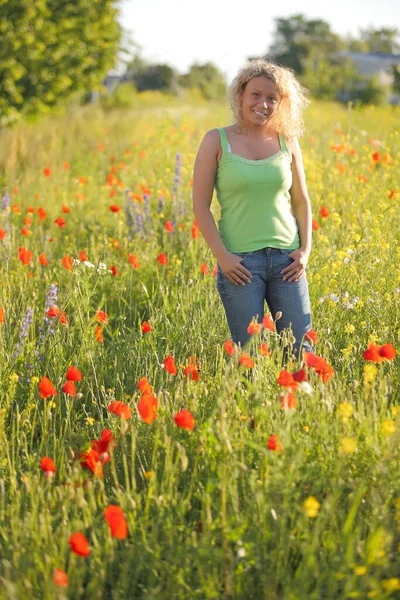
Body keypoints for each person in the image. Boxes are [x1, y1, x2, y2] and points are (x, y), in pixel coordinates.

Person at [192, 59, 314, 360]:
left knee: (301, 351)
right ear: (241, 96)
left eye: (272, 98)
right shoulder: (216, 140)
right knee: (250, 357)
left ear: (281, 103)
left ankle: (299, 407)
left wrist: (305, 250)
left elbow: (301, 201)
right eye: (256, 95)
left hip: (287, 260)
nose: (263, 103)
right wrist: (223, 257)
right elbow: (200, 206)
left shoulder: (287, 141)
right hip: (241, 265)